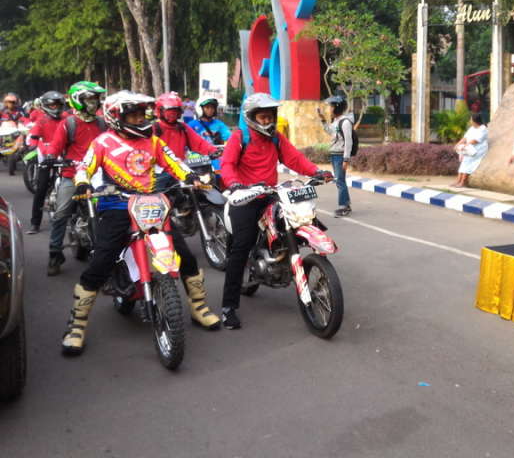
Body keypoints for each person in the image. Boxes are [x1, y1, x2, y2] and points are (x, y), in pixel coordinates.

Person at [61, 91, 221, 356]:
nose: (139, 119)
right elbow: (84, 167)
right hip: (116, 205)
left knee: (184, 256)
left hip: (152, 204)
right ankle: (76, 324)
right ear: (116, 116)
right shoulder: (103, 142)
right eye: (133, 115)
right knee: (101, 262)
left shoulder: (154, 142)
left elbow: (174, 163)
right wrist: (83, 182)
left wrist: (192, 176)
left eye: (141, 114)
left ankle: (199, 307)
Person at [219, 93, 330, 329]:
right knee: (241, 246)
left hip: (271, 194)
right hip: (246, 198)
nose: (268, 121)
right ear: (251, 117)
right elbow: (226, 165)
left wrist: (316, 172)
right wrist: (235, 184)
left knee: (305, 221)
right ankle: (228, 307)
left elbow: (295, 159)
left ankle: (298, 264)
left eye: (270, 116)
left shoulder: (276, 139)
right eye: (263, 116)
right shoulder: (240, 137)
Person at [43, 81, 106, 276]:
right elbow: (55, 146)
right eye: (89, 98)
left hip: (99, 175)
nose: (93, 103)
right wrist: (51, 157)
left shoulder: (103, 123)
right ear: (78, 100)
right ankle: (55, 254)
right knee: (61, 213)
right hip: (73, 175)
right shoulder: (68, 123)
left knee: (117, 209)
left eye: (95, 99)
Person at [26, 91, 67, 234]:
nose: (55, 108)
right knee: (41, 188)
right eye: (52, 105)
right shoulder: (41, 121)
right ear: (45, 106)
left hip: (65, 155)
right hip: (46, 157)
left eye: (58, 105)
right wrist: (32, 143)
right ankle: (35, 223)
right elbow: (34, 136)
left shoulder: (68, 118)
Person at [318, 94, 354, 218]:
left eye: (331, 107)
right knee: (340, 180)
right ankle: (346, 204)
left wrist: (346, 159)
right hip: (334, 154)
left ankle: (343, 207)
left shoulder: (345, 122)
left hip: (340, 156)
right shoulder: (336, 121)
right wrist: (323, 120)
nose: (329, 109)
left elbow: (349, 141)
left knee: (340, 181)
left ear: (337, 108)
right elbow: (330, 132)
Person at [454, 113, 489, 188]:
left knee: (468, 163)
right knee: (464, 163)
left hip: (478, 149)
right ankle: (458, 181)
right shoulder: (472, 128)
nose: (470, 121)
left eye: (471, 120)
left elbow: (476, 140)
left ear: (474, 121)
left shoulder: (483, 129)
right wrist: (458, 144)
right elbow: (465, 138)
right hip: (469, 149)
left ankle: (463, 182)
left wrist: (466, 145)